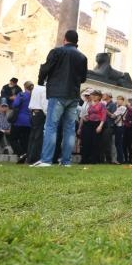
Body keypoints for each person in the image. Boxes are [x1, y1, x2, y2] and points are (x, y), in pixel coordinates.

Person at [32, 30, 88, 167]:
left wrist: (40, 81)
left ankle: (46, 160)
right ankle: (66, 161)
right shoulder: (82, 57)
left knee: (51, 126)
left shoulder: (57, 52)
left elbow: (45, 69)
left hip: (57, 93)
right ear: (77, 41)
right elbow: (83, 78)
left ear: (65, 39)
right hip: (73, 95)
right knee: (69, 129)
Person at [80, 90, 105, 164]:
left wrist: (100, 126)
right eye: (93, 95)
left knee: (95, 142)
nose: (94, 96)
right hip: (89, 123)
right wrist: (86, 117)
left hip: (97, 123)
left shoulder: (102, 104)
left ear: (99, 97)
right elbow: (89, 113)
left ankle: (93, 160)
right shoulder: (90, 104)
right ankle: (85, 159)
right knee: (86, 141)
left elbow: (103, 116)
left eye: (96, 95)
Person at [10, 81, 33, 163]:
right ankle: (24, 158)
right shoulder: (33, 96)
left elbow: (15, 105)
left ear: (24, 87)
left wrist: (15, 99)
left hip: (19, 120)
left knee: (12, 138)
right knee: (25, 141)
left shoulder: (21, 95)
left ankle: (21, 153)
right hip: (29, 121)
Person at [26, 83, 47, 163]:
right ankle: (34, 159)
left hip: (33, 113)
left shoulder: (36, 88)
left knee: (32, 136)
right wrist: (48, 114)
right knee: (38, 137)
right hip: (40, 113)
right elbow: (44, 104)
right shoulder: (45, 89)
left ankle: (29, 157)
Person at [101, 92, 117, 164]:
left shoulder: (113, 105)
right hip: (103, 126)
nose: (103, 96)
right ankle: (102, 159)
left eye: (104, 95)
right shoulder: (105, 104)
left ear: (109, 96)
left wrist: (105, 110)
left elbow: (113, 116)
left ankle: (108, 160)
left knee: (107, 143)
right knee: (103, 143)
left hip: (109, 126)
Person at [112, 95, 127, 164]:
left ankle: (120, 160)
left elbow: (113, 116)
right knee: (118, 143)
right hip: (119, 127)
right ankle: (120, 159)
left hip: (120, 127)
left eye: (120, 100)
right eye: (117, 99)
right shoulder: (120, 107)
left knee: (118, 143)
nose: (118, 101)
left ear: (123, 101)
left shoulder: (122, 108)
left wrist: (105, 110)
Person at [122, 98, 132, 164]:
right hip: (125, 127)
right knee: (124, 144)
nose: (128, 103)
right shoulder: (126, 110)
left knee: (129, 144)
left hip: (131, 129)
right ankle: (125, 159)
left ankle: (130, 160)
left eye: (129, 102)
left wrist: (131, 121)